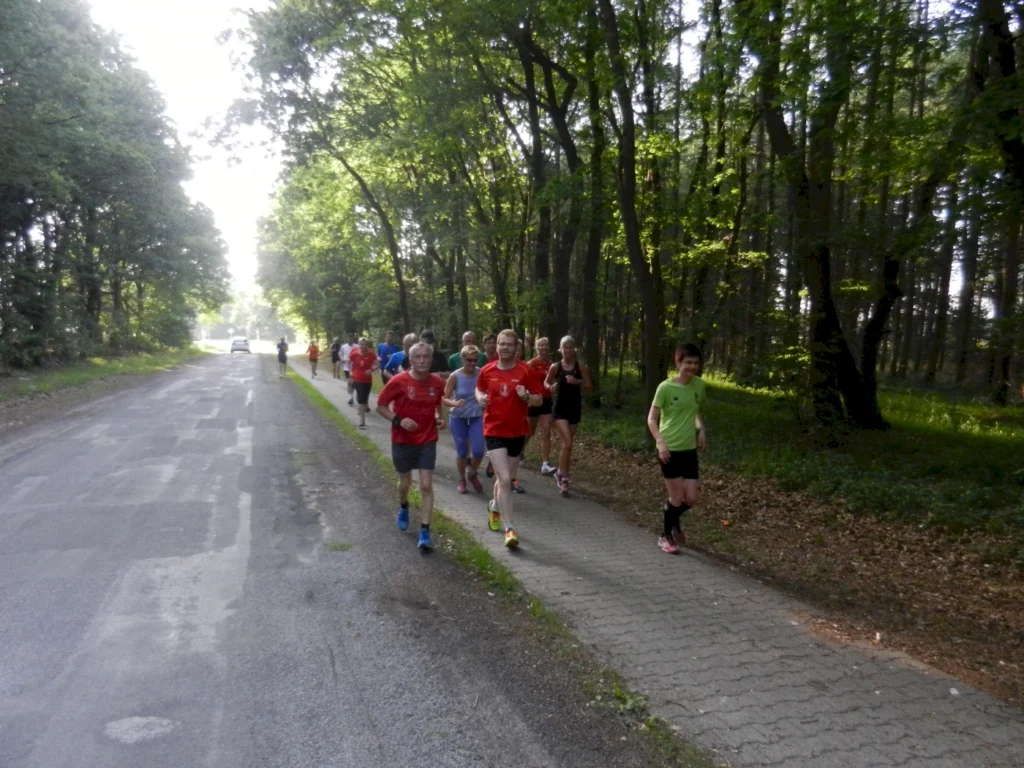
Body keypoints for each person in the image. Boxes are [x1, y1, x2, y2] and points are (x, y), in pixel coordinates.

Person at [476, 329, 543, 549]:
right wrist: (481, 398)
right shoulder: (487, 370)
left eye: (509, 344)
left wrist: (526, 396)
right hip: (494, 430)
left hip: (517, 431)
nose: (504, 347)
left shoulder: (526, 370)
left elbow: (539, 400)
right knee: (505, 480)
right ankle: (510, 528)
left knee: (505, 479)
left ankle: (495, 506)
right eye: (501, 344)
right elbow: (479, 390)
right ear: (496, 347)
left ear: (516, 348)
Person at [376, 341, 445, 551]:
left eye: (426, 357)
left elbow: (438, 403)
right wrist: (398, 420)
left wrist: (439, 418)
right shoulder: (398, 381)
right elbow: (380, 406)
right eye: (418, 357)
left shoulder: (437, 382)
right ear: (411, 360)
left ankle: (425, 532)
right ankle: (404, 507)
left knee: (426, 485)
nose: (423, 361)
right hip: (403, 440)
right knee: (405, 483)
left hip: (427, 439)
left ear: (431, 360)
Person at [646, 343, 708, 554]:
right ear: (678, 362)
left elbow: (696, 411)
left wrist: (701, 429)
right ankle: (665, 536)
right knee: (676, 498)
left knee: (690, 499)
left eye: (696, 363)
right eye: (688, 362)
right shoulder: (665, 387)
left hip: (689, 449)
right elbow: (652, 419)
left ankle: (672, 518)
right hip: (669, 448)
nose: (692, 366)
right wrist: (660, 443)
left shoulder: (699, 385)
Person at [546, 336, 592, 497]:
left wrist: (577, 382)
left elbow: (588, 387)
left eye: (571, 347)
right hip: (559, 409)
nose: (568, 351)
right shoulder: (556, 367)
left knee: (568, 447)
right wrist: (550, 387)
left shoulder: (581, 366)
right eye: (565, 347)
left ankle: (559, 472)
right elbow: (546, 383)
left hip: (574, 409)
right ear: (560, 349)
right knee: (568, 442)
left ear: (575, 350)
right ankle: (564, 479)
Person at [443, 344, 485, 494]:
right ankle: (462, 479)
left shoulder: (481, 373)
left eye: (475, 360)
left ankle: (472, 473)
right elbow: (444, 398)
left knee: (479, 450)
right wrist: (454, 403)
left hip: (476, 416)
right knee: (462, 452)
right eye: (469, 360)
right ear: (462, 359)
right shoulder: (455, 376)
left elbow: (488, 390)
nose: (472, 363)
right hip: (458, 417)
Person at [525, 337, 556, 476]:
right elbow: (523, 381)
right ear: (537, 348)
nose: (543, 348)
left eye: (545, 345)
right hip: (533, 400)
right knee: (529, 432)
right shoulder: (531, 363)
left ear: (549, 348)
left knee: (546, 431)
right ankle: (518, 451)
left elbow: (555, 381)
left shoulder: (553, 365)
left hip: (546, 400)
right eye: (541, 345)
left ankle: (545, 464)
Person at [349, 337, 379, 428]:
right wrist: (351, 373)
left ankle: (362, 408)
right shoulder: (354, 354)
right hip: (357, 379)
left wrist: (372, 369)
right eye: (361, 344)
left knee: (364, 398)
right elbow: (350, 364)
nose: (363, 346)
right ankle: (362, 420)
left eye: (365, 345)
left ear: (367, 346)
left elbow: (378, 364)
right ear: (358, 345)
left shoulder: (371, 354)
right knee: (362, 400)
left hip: (367, 380)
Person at [340, 333, 357, 405]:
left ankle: (357, 396)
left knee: (355, 383)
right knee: (350, 383)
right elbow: (340, 354)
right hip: (347, 367)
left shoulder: (357, 346)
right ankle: (351, 397)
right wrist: (342, 359)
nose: (350, 339)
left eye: (351, 338)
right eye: (349, 338)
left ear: (353, 339)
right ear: (347, 339)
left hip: (356, 368)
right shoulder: (343, 347)